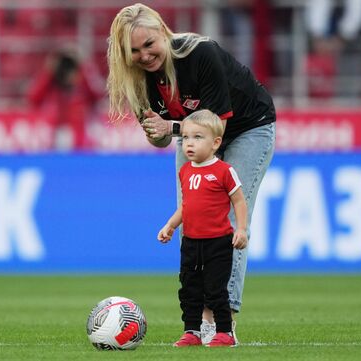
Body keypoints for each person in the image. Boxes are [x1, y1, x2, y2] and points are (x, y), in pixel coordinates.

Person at [106, 3, 276, 344]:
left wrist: (169, 127)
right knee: (193, 221)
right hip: (192, 135)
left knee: (225, 217)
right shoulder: (138, 79)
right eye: (134, 51)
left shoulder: (201, 53)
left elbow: (216, 127)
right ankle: (197, 318)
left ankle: (220, 319)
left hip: (247, 127)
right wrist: (157, 134)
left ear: (164, 34)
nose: (144, 55)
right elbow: (162, 138)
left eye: (149, 44)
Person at [157, 109, 248, 347]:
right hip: (191, 241)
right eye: (186, 137)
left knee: (215, 290)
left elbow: (239, 200)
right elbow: (186, 206)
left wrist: (241, 229)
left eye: (198, 137)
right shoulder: (185, 171)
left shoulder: (224, 171)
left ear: (215, 142)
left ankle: (225, 332)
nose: (189, 143)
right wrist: (170, 225)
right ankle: (192, 332)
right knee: (189, 289)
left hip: (217, 242)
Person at [27, 47, 104, 151]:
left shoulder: (83, 88)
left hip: (81, 138)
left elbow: (98, 96)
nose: (69, 74)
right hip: (56, 136)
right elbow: (33, 98)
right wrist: (49, 72)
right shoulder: (52, 87)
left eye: (72, 69)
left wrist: (84, 68)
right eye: (65, 69)